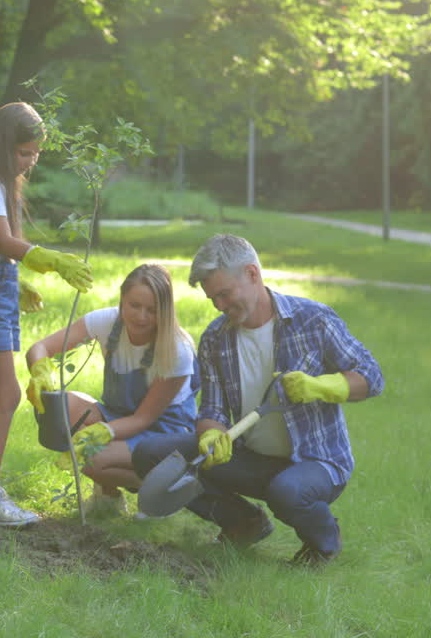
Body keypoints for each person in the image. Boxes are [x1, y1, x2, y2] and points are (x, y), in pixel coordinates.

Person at [131, 234, 384, 566]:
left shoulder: (313, 320)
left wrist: (324, 386)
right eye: (212, 299)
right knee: (150, 454)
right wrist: (211, 432)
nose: (219, 306)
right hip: (252, 456)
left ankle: (324, 543)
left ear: (252, 274)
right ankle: (244, 523)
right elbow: (212, 408)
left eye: (224, 294)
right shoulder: (215, 338)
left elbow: (372, 377)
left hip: (315, 460)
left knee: (288, 492)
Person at [0, 101, 93, 527]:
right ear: (3, 145)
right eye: (23, 153)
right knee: (6, 395)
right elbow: (4, 242)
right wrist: (49, 260)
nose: (29, 162)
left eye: (35, 154)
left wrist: (17, 281)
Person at [24, 263, 198, 516]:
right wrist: (39, 370)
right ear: (122, 300)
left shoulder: (177, 349)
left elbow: (144, 419)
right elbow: (40, 347)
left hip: (163, 428)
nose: (141, 316)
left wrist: (101, 432)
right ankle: (109, 498)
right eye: (134, 306)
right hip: (121, 414)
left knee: (89, 457)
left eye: (152, 310)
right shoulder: (107, 322)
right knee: (60, 408)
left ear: (166, 311)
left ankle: (161, 484)